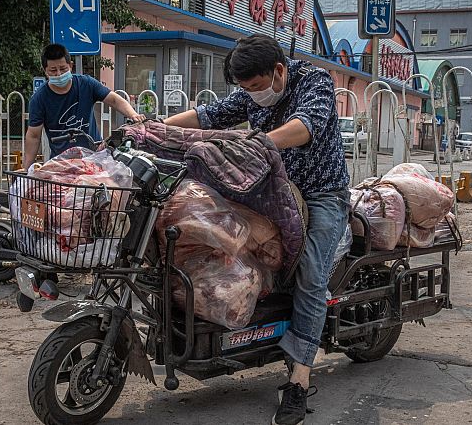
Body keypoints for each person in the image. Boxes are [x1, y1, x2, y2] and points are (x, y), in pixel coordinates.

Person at [164, 34, 350, 425]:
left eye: (254, 87)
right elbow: (208, 116)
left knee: (311, 276)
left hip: (321, 195)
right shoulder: (252, 92)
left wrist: (259, 143)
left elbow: (305, 125)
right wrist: (153, 129)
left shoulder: (313, 82)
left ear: (278, 72)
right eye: (245, 90)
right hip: (268, 192)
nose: (251, 95)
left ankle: (298, 381)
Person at [24, 43, 145, 169]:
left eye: (63, 69)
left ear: (70, 66)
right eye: (53, 71)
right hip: (61, 164)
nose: (59, 74)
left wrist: (133, 115)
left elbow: (114, 99)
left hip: (95, 158)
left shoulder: (86, 84)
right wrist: (27, 168)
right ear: (45, 71)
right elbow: (33, 135)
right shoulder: (39, 98)